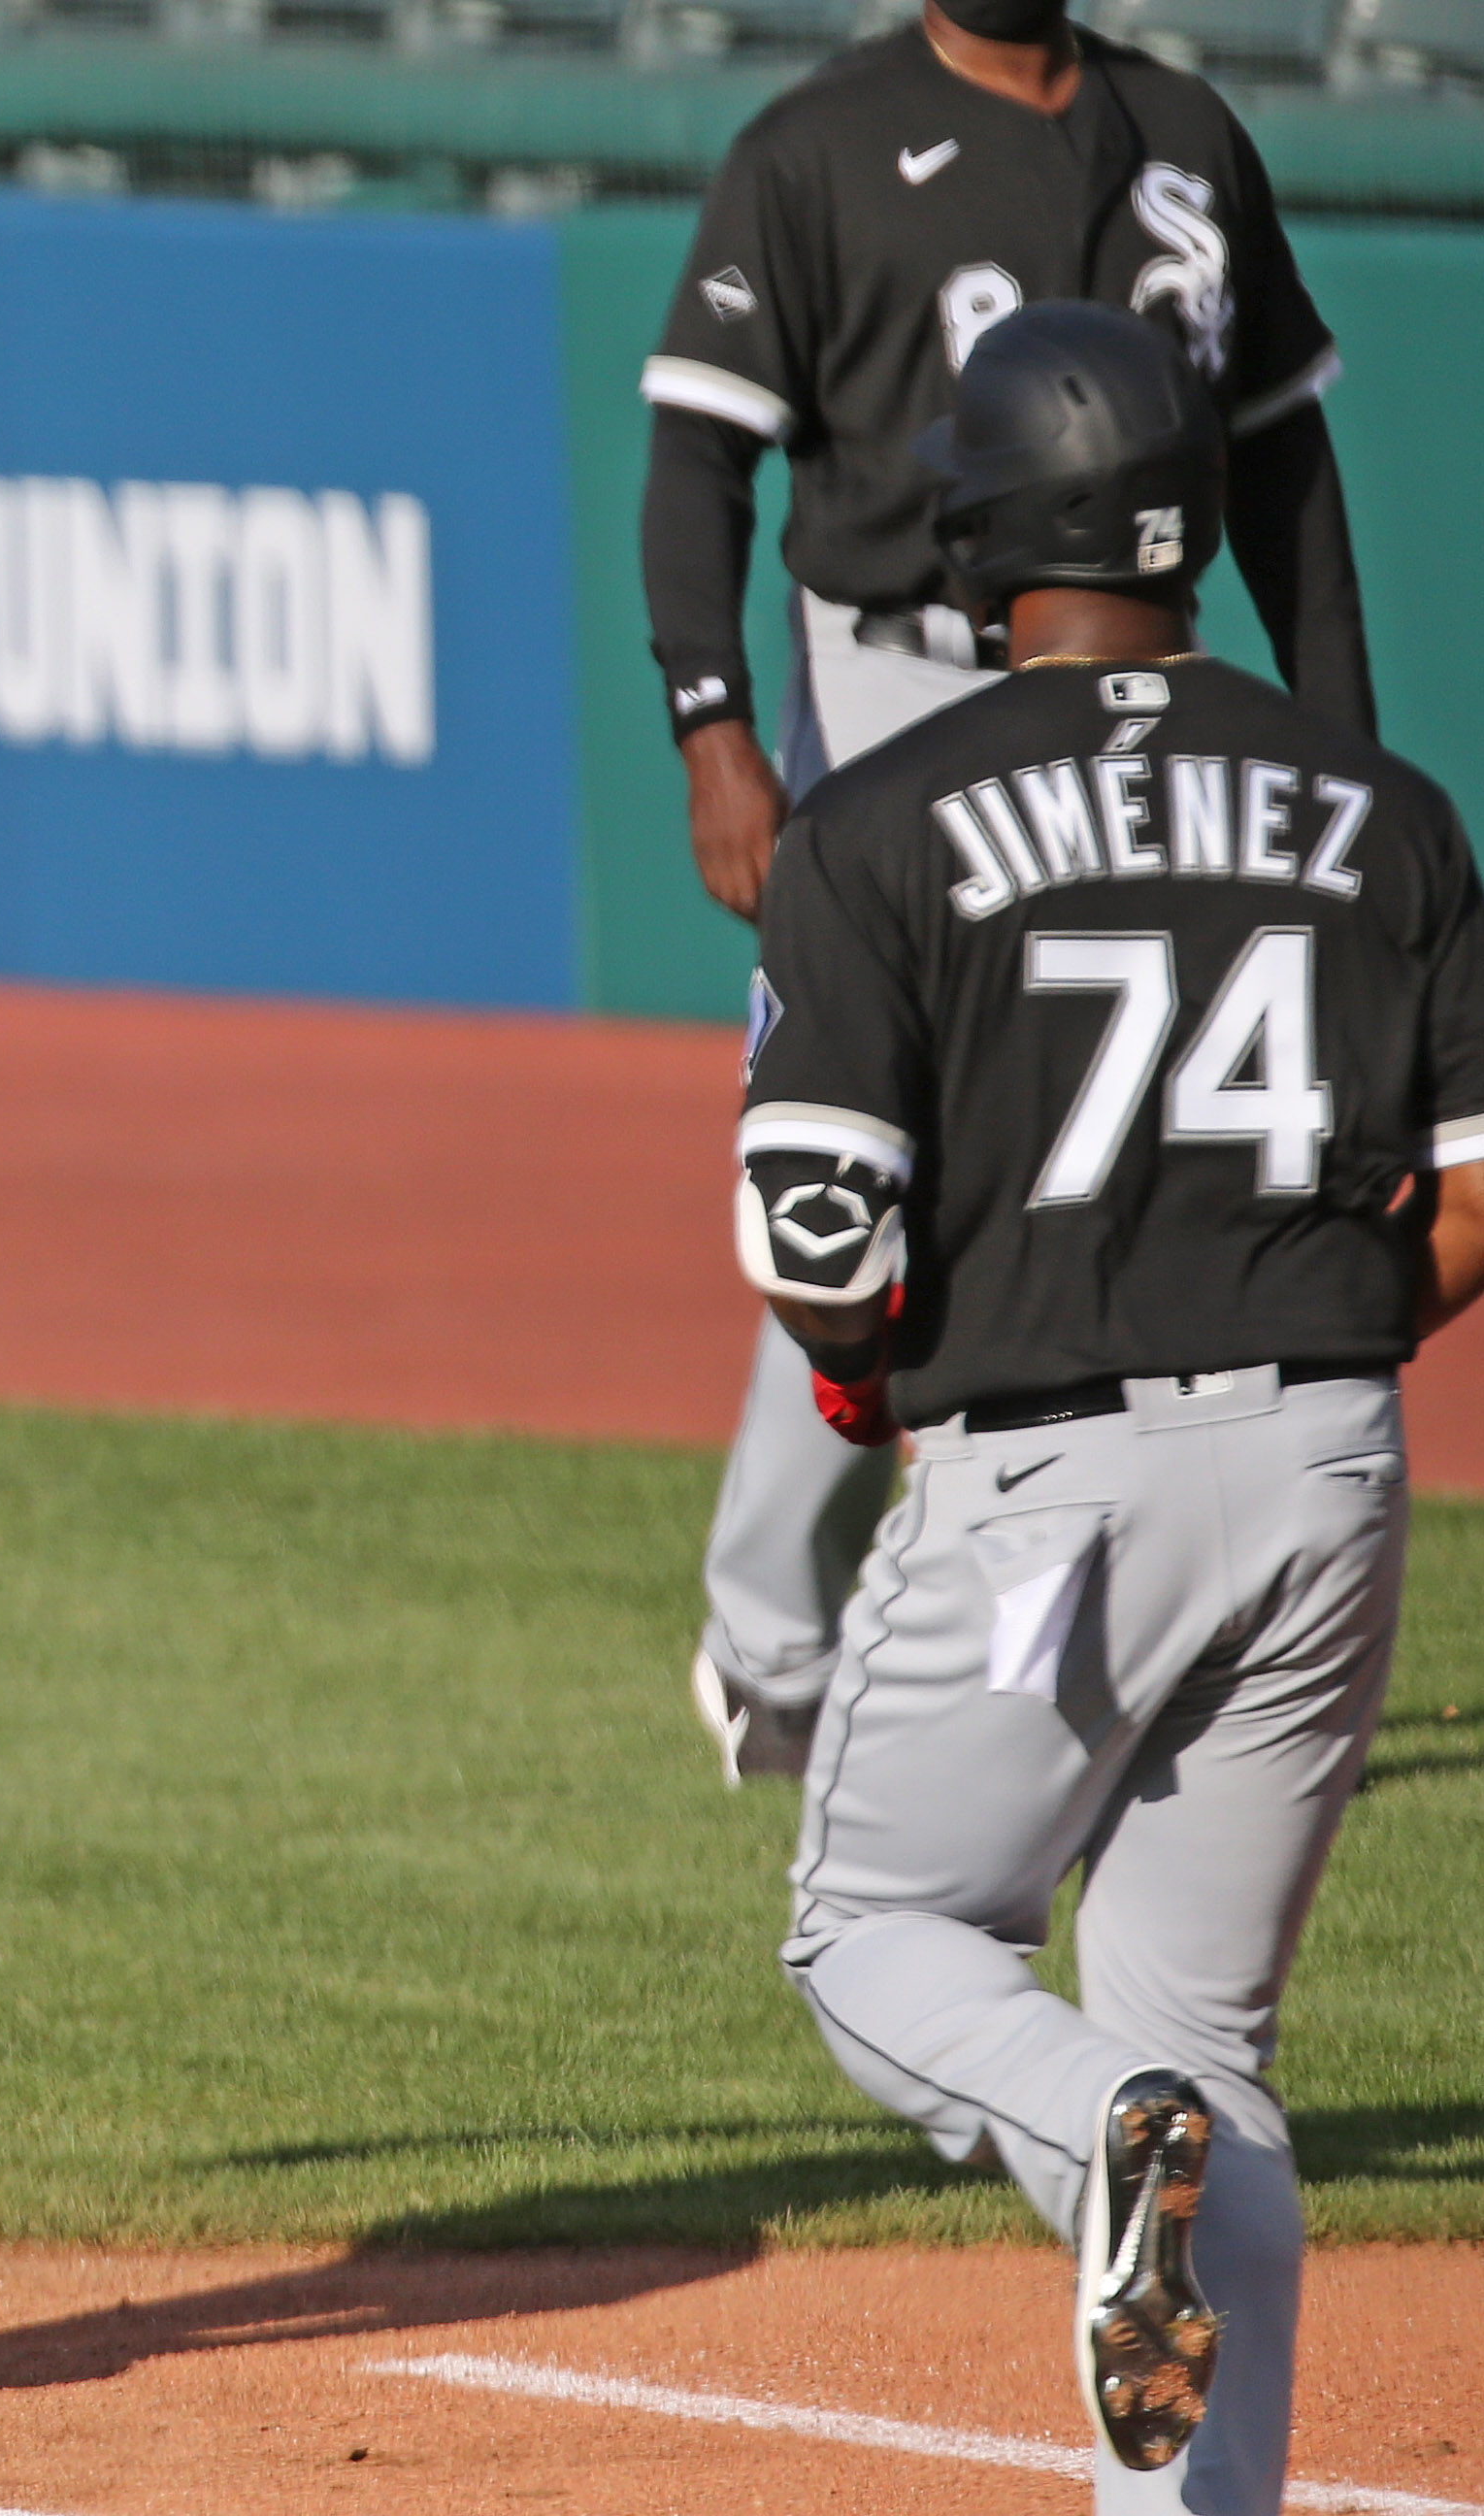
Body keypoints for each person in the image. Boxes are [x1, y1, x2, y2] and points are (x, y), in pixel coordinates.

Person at [739, 299, 1484, 2510]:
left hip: (1046, 1484)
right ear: (1195, 531)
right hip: (1329, 1468)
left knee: (877, 1939)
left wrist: (878, 1383)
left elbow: (813, 1242)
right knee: (1206, 2039)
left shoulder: (879, 821)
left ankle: (1103, 2137)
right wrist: (1336, 1346)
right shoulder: (1383, 810)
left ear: (980, 544)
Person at [641, 0, 1373, 1783]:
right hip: (894, 678)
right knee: (867, 1150)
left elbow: (1279, 463)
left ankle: (1075, 1630)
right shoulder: (812, 147)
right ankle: (773, 1640)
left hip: (1141, 682)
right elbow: (694, 455)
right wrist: (712, 726)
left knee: (1104, 1141)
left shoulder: (1183, 135)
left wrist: (1340, 747)